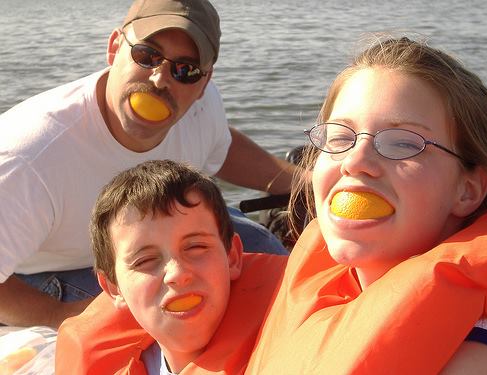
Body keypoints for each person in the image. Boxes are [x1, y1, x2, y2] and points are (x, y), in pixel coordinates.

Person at [0, 0, 294, 328]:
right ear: (114, 49)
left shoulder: (201, 108)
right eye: (147, 55)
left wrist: (300, 180)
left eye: (186, 70)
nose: (159, 79)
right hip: (50, 271)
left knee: (268, 255)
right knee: (163, 314)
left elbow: (220, 146)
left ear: (204, 83)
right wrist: (60, 318)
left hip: (161, 235)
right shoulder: (28, 158)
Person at [245, 36, 487, 374]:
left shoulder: (476, 359)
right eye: (339, 138)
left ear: (467, 190)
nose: (356, 160)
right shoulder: (316, 292)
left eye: (403, 143)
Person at [56, 159, 287, 375]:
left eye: (196, 247)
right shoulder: (111, 364)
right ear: (114, 288)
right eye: (145, 261)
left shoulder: (292, 346)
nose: (177, 274)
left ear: (232, 257)